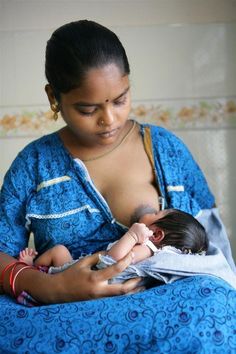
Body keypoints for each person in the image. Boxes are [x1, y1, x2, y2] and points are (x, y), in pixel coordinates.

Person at [0, 20, 235, 307]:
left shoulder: (165, 149)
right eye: (87, 109)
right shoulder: (33, 165)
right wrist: (51, 287)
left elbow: (214, 250)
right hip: (63, 316)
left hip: (175, 317)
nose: (109, 120)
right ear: (54, 98)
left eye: (120, 100)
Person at [18, 208, 208, 272]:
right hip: (86, 273)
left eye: (156, 213)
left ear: (157, 235)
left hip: (80, 274)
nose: (150, 212)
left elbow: (113, 260)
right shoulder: (153, 253)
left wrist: (132, 235)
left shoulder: (147, 248)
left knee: (58, 251)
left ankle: (30, 268)